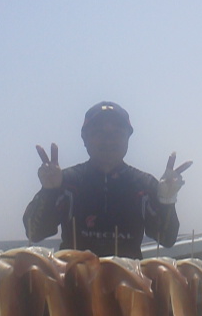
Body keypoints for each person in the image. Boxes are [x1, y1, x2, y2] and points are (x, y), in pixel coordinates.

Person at [23, 101, 192, 259]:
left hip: (127, 279)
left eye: (117, 133)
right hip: (74, 278)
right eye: (99, 132)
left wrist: (167, 201)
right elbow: (34, 233)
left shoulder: (144, 185)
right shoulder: (66, 181)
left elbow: (167, 239)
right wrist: (49, 192)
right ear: (84, 139)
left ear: (128, 139)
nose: (109, 140)